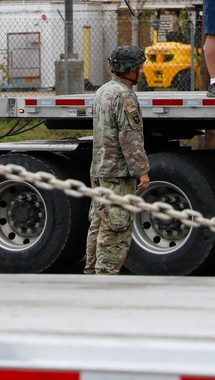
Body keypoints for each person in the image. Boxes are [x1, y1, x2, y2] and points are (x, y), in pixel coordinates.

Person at [85, 45, 150, 275]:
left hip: (100, 170)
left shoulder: (103, 91)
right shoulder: (125, 96)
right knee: (117, 227)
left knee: (99, 223)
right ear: (128, 69)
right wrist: (142, 171)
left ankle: (92, 272)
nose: (141, 71)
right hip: (118, 174)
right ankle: (105, 277)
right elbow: (129, 137)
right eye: (139, 67)